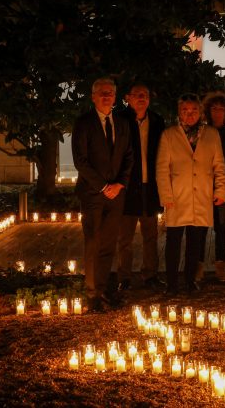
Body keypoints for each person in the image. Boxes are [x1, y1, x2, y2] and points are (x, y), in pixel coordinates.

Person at [72, 77, 134, 312]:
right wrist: (102, 186)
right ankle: (92, 294)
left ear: (115, 97)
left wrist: (119, 185)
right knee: (93, 243)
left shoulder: (122, 123)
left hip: (116, 194)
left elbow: (129, 157)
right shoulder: (83, 123)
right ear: (93, 97)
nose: (106, 96)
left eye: (110, 92)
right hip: (92, 194)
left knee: (109, 243)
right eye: (102, 92)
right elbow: (80, 160)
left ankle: (102, 288)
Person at [156, 94, 225, 296]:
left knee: (195, 241)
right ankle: (171, 283)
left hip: (202, 194)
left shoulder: (211, 134)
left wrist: (220, 190)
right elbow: (162, 168)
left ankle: (190, 280)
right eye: (185, 110)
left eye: (194, 110)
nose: (190, 114)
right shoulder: (169, 135)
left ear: (200, 112)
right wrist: (166, 196)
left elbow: (219, 165)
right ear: (179, 113)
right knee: (173, 241)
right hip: (177, 196)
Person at [113, 82, 166, 292]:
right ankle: (124, 277)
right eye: (137, 95)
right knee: (124, 237)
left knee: (150, 235)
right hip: (127, 186)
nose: (141, 98)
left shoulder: (157, 121)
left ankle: (150, 274)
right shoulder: (120, 120)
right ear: (128, 98)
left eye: (145, 95)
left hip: (150, 186)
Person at [196, 92, 225, 283]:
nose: (217, 112)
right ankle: (197, 269)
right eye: (214, 108)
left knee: (222, 230)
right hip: (202, 189)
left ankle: (220, 269)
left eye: (221, 109)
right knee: (200, 230)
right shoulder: (201, 134)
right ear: (208, 111)